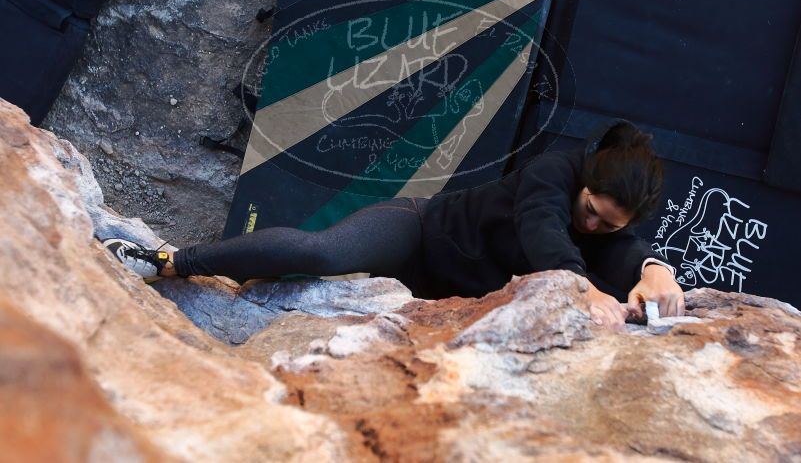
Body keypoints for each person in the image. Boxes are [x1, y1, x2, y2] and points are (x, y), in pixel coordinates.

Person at [105, 118, 684, 330]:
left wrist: (655, 270)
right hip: (419, 235)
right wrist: (580, 286)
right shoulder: (554, 173)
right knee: (321, 254)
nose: (595, 225)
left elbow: (622, 251)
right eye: (592, 210)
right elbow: (544, 232)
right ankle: (171, 261)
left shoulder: (612, 230)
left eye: (609, 225)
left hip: (443, 306)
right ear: (587, 181)